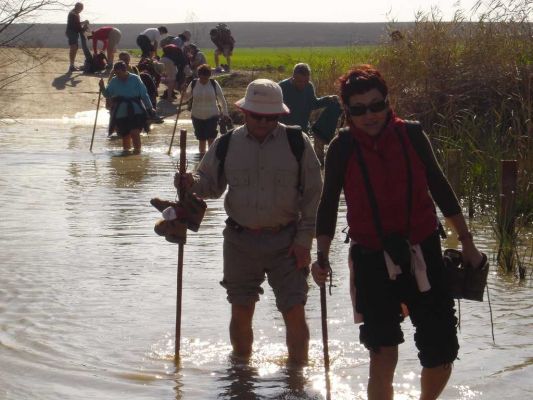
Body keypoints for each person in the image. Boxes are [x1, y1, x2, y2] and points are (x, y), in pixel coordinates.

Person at [312, 65, 484, 400]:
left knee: (442, 351)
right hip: (371, 258)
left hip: (424, 249)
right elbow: (328, 203)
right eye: (359, 110)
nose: (370, 115)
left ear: (388, 102)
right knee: (383, 350)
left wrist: (468, 244)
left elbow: (441, 187)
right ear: (347, 112)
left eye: (376, 105)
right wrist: (320, 257)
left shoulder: (412, 135)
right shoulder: (342, 147)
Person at [175, 79, 322, 365]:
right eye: (257, 116)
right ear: (244, 112)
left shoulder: (297, 142)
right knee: (241, 310)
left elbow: (315, 196)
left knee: (294, 310)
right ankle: (241, 378)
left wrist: (305, 241)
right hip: (240, 242)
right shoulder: (226, 142)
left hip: (288, 242)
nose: (264, 122)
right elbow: (209, 187)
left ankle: (297, 380)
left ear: (280, 115)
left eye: (271, 118)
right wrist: (189, 182)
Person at [278, 63, 338, 163]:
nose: (303, 84)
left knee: (302, 162)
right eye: (299, 81)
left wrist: (328, 99)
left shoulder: (309, 87)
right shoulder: (281, 88)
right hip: (284, 132)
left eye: (305, 81)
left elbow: (313, 104)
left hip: (302, 131)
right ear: (293, 77)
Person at [99, 61, 156, 154]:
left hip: (136, 110)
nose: (117, 75)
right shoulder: (114, 80)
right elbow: (107, 94)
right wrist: (102, 87)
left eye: (119, 73)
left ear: (125, 70)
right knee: (125, 135)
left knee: (135, 133)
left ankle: (137, 154)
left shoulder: (135, 79)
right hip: (121, 112)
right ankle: (126, 154)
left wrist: (150, 107)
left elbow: (144, 94)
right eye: (115, 73)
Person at [184, 64, 229, 154]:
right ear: (199, 75)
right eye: (202, 78)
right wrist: (183, 92)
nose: (204, 80)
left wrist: (225, 113)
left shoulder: (213, 83)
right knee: (201, 139)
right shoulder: (193, 83)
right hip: (197, 115)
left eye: (206, 78)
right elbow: (186, 98)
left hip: (212, 115)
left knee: (211, 138)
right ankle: (201, 159)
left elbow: (222, 99)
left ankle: (211, 158)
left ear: (209, 76)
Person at [65, 2, 88, 72]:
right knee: (73, 48)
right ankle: (71, 66)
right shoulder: (73, 14)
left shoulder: (75, 14)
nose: (81, 10)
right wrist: (84, 28)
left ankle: (72, 65)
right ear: (77, 7)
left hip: (73, 32)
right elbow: (77, 26)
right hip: (72, 32)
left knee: (74, 48)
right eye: (81, 8)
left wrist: (83, 23)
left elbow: (77, 24)